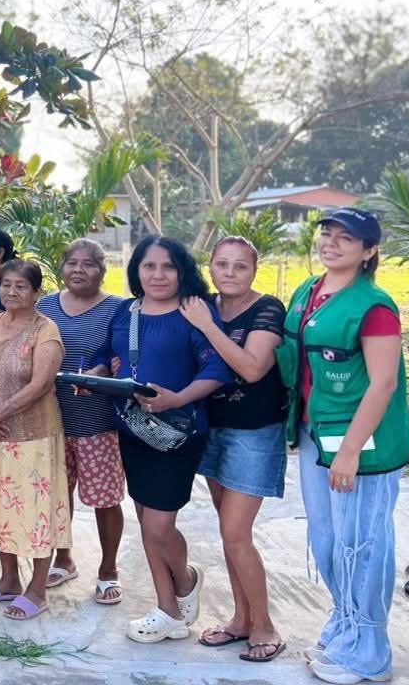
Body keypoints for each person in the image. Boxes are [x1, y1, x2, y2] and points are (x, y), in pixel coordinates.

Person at [278, 209, 409, 685]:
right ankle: (347, 622)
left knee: (363, 543)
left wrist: (351, 451)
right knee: (327, 537)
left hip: (362, 442)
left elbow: (383, 383)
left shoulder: (374, 307)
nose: (331, 244)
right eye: (327, 234)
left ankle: (370, 650)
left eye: (346, 238)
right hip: (316, 432)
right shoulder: (308, 291)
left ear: (369, 250)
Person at [102, 235, 233, 644]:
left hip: (177, 433)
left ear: (182, 271)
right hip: (133, 430)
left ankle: (185, 579)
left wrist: (177, 398)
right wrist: (96, 376)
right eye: (149, 266)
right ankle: (168, 608)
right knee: (147, 522)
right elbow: (108, 356)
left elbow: (217, 371)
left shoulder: (194, 311)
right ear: (136, 271)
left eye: (168, 266)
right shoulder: (126, 311)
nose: (158, 275)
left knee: (159, 526)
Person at [179, 236, 287, 663]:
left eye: (240, 266)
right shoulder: (203, 304)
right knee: (229, 533)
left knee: (236, 533)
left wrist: (207, 326)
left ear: (254, 271)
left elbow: (252, 368)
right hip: (213, 429)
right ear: (210, 266)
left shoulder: (267, 308)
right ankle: (242, 619)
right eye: (222, 264)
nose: (229, 272)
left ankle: (266, 626)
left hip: (253, 433)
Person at [0, 259, 70, 620]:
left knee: (36, 513)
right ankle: (9, 579)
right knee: (2, 511)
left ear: (36, 293)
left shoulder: (46, 330)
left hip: (33, 438)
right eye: (7, 284)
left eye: (21, 286)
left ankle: (37, 591)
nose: (12, 292)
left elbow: (41, 384)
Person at [38, 238, 126, 605]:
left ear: (102, 271)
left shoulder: (119, 309)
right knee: (59, 496)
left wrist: (101, 373)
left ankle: (108, 570)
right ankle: (64, 559)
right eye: (72, 262)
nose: (78, 269)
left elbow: (121, 357)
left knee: (105, 499)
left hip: (98, 423)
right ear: (62, 268)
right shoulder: (44, 305)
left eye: (88, 263)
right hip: (51, 422)